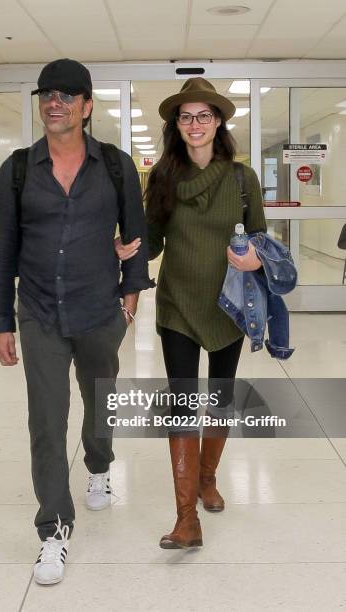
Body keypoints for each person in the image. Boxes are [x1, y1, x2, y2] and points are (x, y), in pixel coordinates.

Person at [0, 58, 153, 585]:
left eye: (65, 94)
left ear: (85, 107)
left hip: (100, 308)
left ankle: (100, 466)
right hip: (39, 311)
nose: (53, 102)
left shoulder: (116, 165)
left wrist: (130, 294)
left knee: (101, 398)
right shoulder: (17, 169)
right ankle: (53, 529)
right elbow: (1, 250)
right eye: (45, 94)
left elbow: (137, 234)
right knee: (46, 418)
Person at [116, 78, 267, 549]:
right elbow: (154, 241)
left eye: (204, 115)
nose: (195, 124)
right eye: (186, 117)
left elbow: (261, 238)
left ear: (218, 121)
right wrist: (127, 252)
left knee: (220, 396)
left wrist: (255, 258)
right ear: (175, 125)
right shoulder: (163, 176)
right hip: (178, 303)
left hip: (229, 304)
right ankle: (186, 519)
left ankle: (207, 478)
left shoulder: (242, 179)